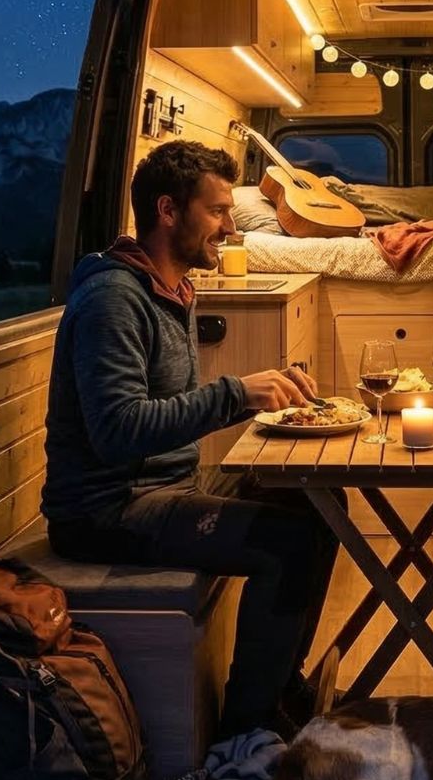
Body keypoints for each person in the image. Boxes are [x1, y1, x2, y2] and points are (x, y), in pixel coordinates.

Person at [40, 140, 339, 738]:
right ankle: (248, 730)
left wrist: (265, 394)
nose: (230, 227)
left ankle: (281, 684)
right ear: (168, 211)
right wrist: (238, 394)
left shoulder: (169, 287)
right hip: (107, 507)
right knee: (289, 544)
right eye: (218, 211)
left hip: (164, 482)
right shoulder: (113, 300)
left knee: (320, 501)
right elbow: (118, 430)